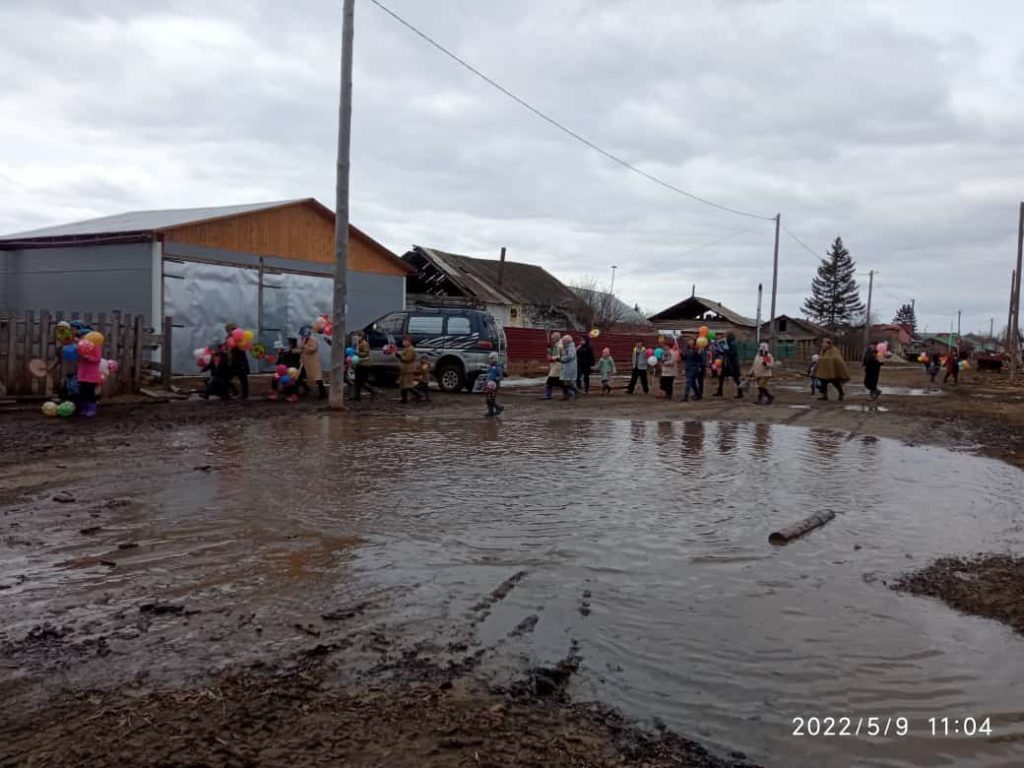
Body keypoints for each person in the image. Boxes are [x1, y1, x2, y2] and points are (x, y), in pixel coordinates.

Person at [75, 334, 103, 417]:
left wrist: (87, 357)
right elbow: (78, 358)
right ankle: (84, 409)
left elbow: (97, 359)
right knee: (82, 392)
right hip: (82, 374)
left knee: (90, 392)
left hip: (91, 375)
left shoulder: (96, 347)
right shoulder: (80, 348)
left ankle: (91, 409)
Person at [713, 332, 743, 398]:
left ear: (729, 337)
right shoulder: (729, 343)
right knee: (721, 377)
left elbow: (732, 353)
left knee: (736, 379)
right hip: (727, 364)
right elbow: (725, 353)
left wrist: (725, 350)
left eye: (727, 336)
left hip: (733, 364)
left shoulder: (733, 343)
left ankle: (740, 393)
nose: (725, 337)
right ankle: (719, 391)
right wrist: (720, 350)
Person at [224, 323, 250, 400]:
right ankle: (236, 392)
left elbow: (243, 348)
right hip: (234, 362)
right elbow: (228, 349)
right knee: (227, 378)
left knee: (243, 379)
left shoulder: (240, 337)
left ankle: (244, 395)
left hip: (240, 361)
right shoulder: (228, 338)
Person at [300, 328, 327, 399]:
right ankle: (306, 389)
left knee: (318, 378)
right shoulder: (304, 340)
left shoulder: (313, 340)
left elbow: (313, 349)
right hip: (306, 363)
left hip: (313, 362)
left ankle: (323, 393)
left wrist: (305, 346)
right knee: (299, 376)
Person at [396, 335, 422, 403]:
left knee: (407, 385)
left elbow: (407, 359)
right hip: (405, 369)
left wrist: (400, 356)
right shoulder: (406, 348)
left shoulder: (411, 349)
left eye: (405, 341)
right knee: (403, 385)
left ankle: (418, 394)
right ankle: (404, 399)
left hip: (408, 369)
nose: (403, 342)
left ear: (409, 342)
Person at [352, 330, 376, 400]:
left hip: (364, 364)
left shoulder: (364, 344)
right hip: (359, 363)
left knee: (362, 381)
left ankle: (371, 390)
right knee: (357, 381)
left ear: (361, 336)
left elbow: (365, 353)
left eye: (358, 336)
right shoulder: (357, 343)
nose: (356, 338)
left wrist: (357, 353)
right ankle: (357, 396)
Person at [484, 351, 504, 417]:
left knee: (491, 399)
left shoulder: (498, 367)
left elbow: (501, 377)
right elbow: (488, 374)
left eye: (491, 358)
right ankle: (491, 412)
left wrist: (496, 379)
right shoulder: (490, 367)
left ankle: (499, 408)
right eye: (489, 358)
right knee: (487, 399)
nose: (490, 360)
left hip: (495, 386)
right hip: (489, 385)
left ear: (495, 358)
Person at [560, 334, 579, 400]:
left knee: (568, 382)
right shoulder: (566, 347)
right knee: (564, 382)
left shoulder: (571, 347)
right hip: (566, 367)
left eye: (563, 341)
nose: (562, 342)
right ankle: (567, 395)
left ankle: (576, 392)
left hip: (570, 367)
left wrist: (562, 359)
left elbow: (570, 356)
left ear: (567, 341)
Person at [544, 332, 563, 400]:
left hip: (557, 366)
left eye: (553, 338)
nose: (552, 340)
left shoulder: (560, 345)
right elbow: (552, 352)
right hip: (555, 366)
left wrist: (552, 358)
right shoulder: (556, 344)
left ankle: (548, 395)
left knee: (549, 382)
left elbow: (560, 355)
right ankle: (571, 393)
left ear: (556, 338)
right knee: (561, 383)